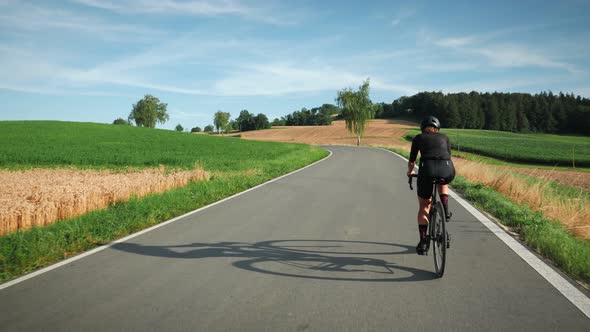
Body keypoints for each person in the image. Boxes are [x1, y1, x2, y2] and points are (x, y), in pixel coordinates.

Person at [406, 116, 455, 255]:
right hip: (447, 169)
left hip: (426, 171)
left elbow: (412, 161)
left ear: (423, 128)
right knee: (442, 181)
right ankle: (445, 208)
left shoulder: (418, 138)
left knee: (424, 206)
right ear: (437, 129)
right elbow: (447, 156)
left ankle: (423, 241)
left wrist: (409, 172)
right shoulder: (444, 137)